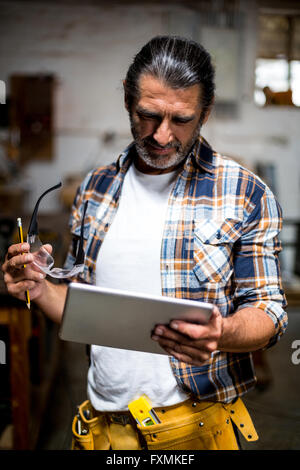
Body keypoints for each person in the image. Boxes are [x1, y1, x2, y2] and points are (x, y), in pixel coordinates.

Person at [2, 36, 287, 451]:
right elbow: (83, 311)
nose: (162, 136)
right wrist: (40, 287)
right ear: (127, 100)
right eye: (148, 115)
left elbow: (271, 313)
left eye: (182, 119)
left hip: (194, 431)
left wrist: (221, 332)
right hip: (102, 428)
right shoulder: (95, 188)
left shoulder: (244, 192)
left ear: (205, 112)